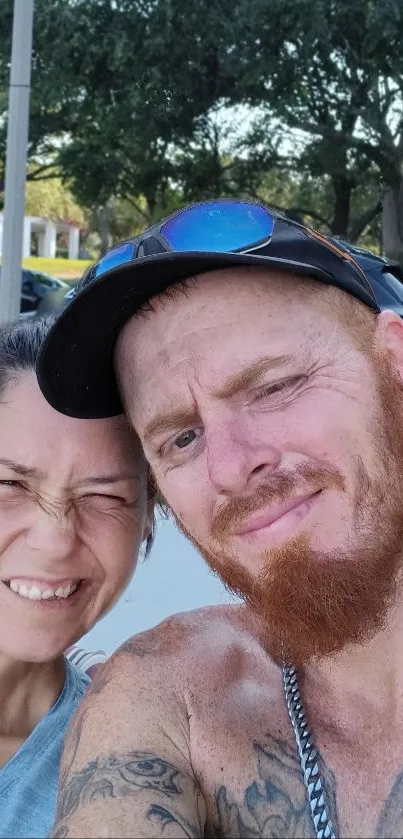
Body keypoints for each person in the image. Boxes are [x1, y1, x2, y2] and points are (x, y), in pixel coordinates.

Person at [38, 201, 403, 839]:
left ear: (394, 361)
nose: (230, 468)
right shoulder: (168, 698)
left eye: (274, 386)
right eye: (181, 439)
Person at [0, 315, 151, 838]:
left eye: (105, 497)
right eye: (9, 483)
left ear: (148, 521)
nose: (55, 539)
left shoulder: (139, 769)